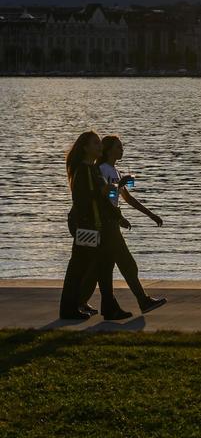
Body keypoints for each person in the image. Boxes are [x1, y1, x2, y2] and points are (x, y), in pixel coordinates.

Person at [60, 131, 130, 321]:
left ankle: (78, 307)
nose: (100, 146)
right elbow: (82, 200)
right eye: (95, 144)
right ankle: (76, 308)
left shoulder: (91, 169)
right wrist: (102, 192)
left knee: (92, 266)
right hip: (86, 227)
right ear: (85, 148)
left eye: (100, 143)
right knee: (86, 267)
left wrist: (118, 216)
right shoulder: (84, 171)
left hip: (92, 226)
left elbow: (103, 200)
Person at [95, 135, 166, 314]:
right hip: (108, 225)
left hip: (112, 222)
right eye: (118, 147)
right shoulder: (103, 170)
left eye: (122, 147)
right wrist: (118, 216)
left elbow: (127, 198)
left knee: (106, 267)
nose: (122, 150)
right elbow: (106, 198)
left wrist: (151, 215)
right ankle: (143, 301)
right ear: (109, 150)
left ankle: (107, 307)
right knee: (127, 264)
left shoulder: (114, 171)